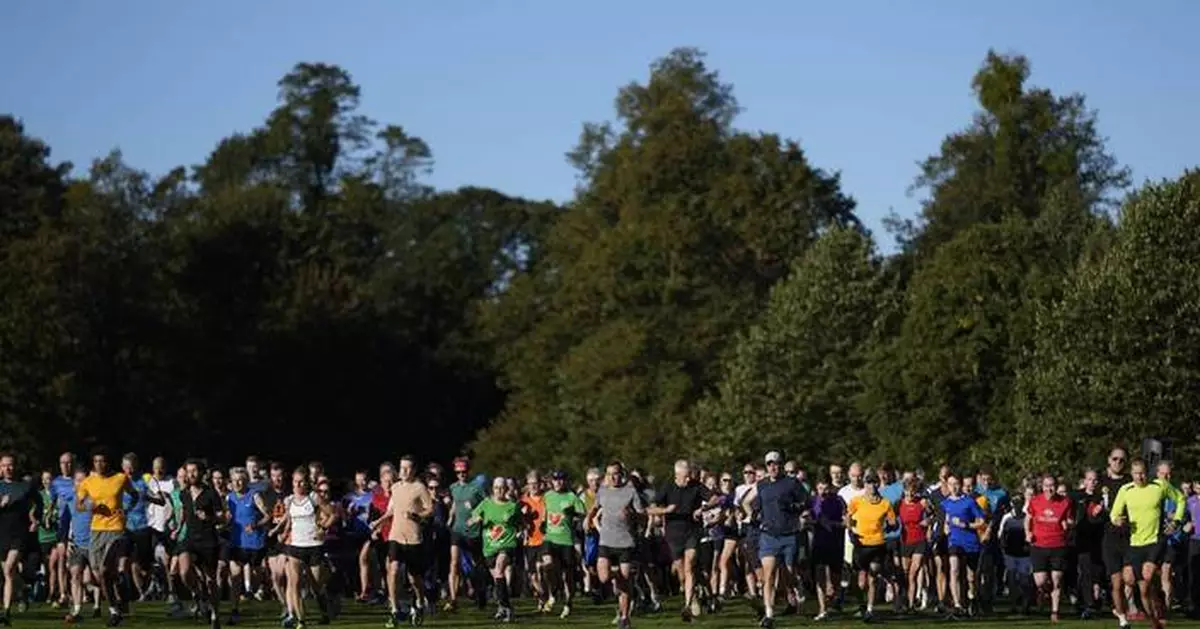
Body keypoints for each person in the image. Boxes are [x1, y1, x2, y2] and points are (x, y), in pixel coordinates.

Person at [1110, 459, 1184, 629]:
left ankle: (1159, 604)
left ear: (1147, 472)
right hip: (1135, 543)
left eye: (1142, 473)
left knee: (1147, 575)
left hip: (1154, 541)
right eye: (1136, 473)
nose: (1140, 477)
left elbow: (1180, 499)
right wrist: (1117, 521)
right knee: (1131, 581)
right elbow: (1114, 513)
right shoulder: (1126, 490)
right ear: (1131, 474)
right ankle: (1155, 616)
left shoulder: (1159, 486)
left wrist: (1176, 520)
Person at [740, 451, 808, 628]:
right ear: (766, 466)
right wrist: (752, 516)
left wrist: (794, 508)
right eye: (769, 464)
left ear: (781, 465)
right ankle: (769, 614)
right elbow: (745, 501)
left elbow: (806, 502)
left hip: (788, 534)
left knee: (788, 574)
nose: (773, 467)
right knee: (768, 576)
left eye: (776, 463)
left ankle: (796, 585)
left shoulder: (791, 483)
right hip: (768, 535)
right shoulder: (761, 485)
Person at [75, 447, 137, 627]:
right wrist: (89, 507)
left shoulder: (120, 478)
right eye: (96, 461)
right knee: (98, 576)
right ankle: (119, 596)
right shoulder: (87, 482)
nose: (99, 465)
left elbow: (134, 494)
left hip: (116, 529)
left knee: (103, 570)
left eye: (102, 461)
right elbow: (79, 505)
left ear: (108, 462)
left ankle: (113, 610)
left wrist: (126, 510)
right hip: (96, 530)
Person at [371, 455, 433, 627]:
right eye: (402, 467)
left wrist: (415, 515)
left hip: (413, 538)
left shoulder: (420, 488)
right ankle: (394, 609)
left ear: (414, 470)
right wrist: (379, 522)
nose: (404, 471)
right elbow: (391, 509)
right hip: (395, 536)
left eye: (408, 468)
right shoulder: (396, 487)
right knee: (393, 569)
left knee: (414, 579)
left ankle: (420, 603)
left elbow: (430, 510)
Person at [585, 461, 646, 629]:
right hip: (606, 541)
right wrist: (588, 518)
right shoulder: (602, 491)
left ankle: (625, 618)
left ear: (622, 475)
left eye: (616, 473)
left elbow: (643, 517)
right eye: (610, 474)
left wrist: (632, 515)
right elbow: (595, 507)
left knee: (625, 584)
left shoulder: (630, 492)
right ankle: (619, 577)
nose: (613, 477)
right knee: (604, 577)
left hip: (625, 543)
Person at [467, 477, 521, 623]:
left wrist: (521, 531)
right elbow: (471, 519)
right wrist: (475, 520)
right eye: (497, 488)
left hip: (507, 544)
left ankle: (505, 606)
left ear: (507, 489)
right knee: (497, 577)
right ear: (492, 489)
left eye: (502, 488)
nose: (499, 491)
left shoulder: (512, 506)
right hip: (490, 547)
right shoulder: (486, 504)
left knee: (499, 570)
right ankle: (504, 606)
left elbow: (520, 522)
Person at [846, 472, 896, 622]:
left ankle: (870, 610)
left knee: (873, 576)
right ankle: (862, 604)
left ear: (878, 484)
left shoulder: (885, 503)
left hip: (877, 544)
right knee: (861, 582)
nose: (871, 486)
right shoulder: (857, 501)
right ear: (865, 485)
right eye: (868, 483)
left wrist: (890, 525)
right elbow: (847, 516)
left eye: (874, 483)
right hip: (861, 545)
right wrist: (850, 531)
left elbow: (893, 522)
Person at [1026, 473, 1073, 623]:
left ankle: (1055, 611)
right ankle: (1043, 592)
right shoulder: (1035, 501)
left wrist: (1068, 525)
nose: (1049, 489)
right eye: (1046, 486)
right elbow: (1028, 518)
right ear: (1042, 486)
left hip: (1058, 544)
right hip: (1039, 544)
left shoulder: (1065, 502)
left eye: (1052, 486)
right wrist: (1028, 533)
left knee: (1057, 579)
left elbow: (1070, 520)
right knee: (1041, 581)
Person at [541, 470, 584, 619]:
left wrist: (574, 513)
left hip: (566, 540)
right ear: (551, 482)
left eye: (561, 479)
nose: (558, 482)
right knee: (547, 565)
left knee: (568, 576)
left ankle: (568, 602)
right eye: (555, 480)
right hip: (550, 539)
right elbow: (543, 513)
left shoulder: (572, 497)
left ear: (565, 481)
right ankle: (553, 594)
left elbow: (583, 513)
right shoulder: (547, 496)